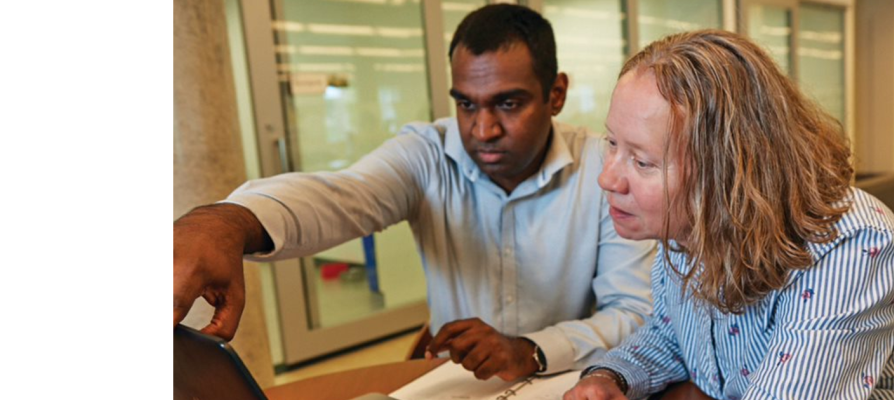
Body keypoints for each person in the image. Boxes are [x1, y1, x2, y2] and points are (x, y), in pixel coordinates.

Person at [172, 4, 654, 382]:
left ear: (556, 94)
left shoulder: (604, 169)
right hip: (454, 379)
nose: (482, 129)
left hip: (566, 375)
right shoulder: (428, 154)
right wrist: (228, 221)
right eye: (466, 104)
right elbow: (343, 196)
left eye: (508, 103)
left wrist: (530, 348)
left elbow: (634, 313)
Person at [562, 30, 894, 400]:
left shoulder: (849, 247)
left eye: (642, 161)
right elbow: (671, 333)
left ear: (730, 171)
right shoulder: (689, 225)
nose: (606, 178)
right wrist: (612, 376)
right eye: (612, 143)